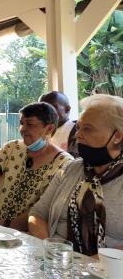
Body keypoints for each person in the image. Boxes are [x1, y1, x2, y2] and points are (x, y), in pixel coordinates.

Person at [29, 94, 123, 255]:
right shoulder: (70, 169)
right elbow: (37, 214)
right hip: (57, 263)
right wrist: (51, 250)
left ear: (117, 136)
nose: (77, 135)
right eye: (78, 127)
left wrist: (92, 263)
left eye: (87, 128)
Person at [0, 102, 73, 231]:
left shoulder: (64, 163)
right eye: (21, 123)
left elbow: (44, 209)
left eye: (30, 124)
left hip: (28, 235)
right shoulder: (11, 149)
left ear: (49, 129)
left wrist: (6, 226)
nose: (22, 129)